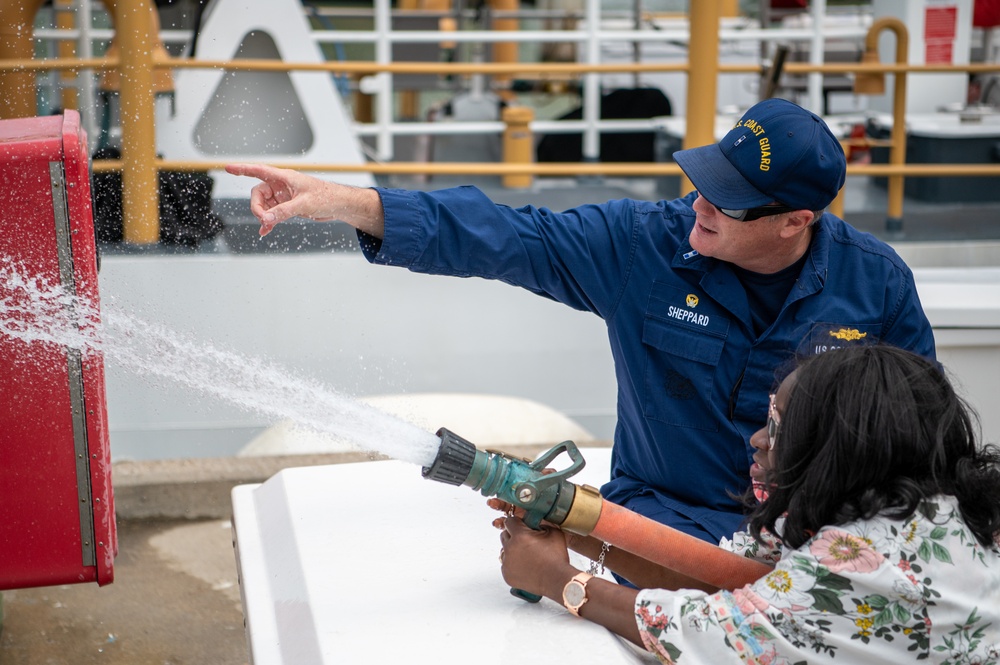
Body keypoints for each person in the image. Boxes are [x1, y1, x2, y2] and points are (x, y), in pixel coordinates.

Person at [226, 97, 936, 545]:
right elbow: (506, 235)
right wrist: (349, 203)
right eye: (704, 181)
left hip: (817, 541)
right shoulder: (640, 246)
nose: (699, 204)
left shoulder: (878, 286)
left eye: (728, 200)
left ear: (795, 223)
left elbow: (917, 441)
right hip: (660, 523)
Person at [495, 345, 1000, 664]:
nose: (758, 440)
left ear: (839, 450)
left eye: (781, 429)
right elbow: (741, 578)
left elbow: (721, 633)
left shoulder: (869, 560)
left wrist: (557, 580)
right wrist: (576, 525)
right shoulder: (932, 514)